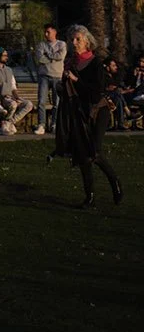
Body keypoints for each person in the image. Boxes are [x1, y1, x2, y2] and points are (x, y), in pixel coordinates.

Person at [52, 24, 123, 208]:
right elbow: (67, 90)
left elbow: (96, 93)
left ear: (87, 41)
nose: (74, 42)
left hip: (98, 110)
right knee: (83, 155)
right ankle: (89, 197)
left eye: (78, 39)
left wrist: (76, 80)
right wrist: (62, 85)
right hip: (79, 112)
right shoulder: (70, 63)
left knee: (95, 152)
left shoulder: (95, 63)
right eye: (72, 39)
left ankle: (115, 183)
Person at [0, 49, 34, 135]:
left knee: (28, 104)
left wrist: (17, 97)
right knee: (13, 104)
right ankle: (6, 125)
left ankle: (9, 122)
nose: (7, 57)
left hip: (11, 97)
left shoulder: (9, 70)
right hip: (2, 98)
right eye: (4, 55)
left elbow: (13, 86)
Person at [33, 24, 66, 135]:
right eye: (45, 32)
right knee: (41, 101)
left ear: (54, 32)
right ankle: (41, 125)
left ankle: (54, 124)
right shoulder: (41, 45)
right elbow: (40, 58)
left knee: (57, 102)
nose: (46, 34)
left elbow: (61, 56)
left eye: (48, 32)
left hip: (58, 76)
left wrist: (48, 55)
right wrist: (53, 57)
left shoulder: (62, 44)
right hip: (44, 76)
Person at [102, 57, 129, 131]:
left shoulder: (114, 75)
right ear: (107, 67)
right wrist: (107, 88)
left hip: (114, 95)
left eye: (116, 65)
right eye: (113, 66)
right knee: (117, 93)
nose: (116, 67)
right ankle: (126, 110)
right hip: (105, 96)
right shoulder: (103, 75)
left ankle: (120, 124)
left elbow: (116, 84)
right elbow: (103, 87)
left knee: (118, 98)